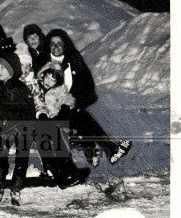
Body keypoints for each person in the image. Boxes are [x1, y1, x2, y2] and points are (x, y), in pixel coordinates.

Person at [46, 28, 132, 166]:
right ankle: (103, 148)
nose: (56, 47)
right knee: (80, 116)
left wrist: (77, 101)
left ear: (65, 44)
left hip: (72, 106)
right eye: (52, 43)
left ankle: (99, 149)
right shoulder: (44, 62)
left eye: (59, 43)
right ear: (48, 45)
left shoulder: (73, 59)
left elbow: (86, 84)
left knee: (80, 114)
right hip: (52, 108)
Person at [0, 55, 36, 206]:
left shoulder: (21, 88)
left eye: (2, 68)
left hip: (21, 127)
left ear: (11, 70)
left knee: (23, 153)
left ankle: (16, 188)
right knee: (0, 149)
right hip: (3, 128)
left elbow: (29, 112)